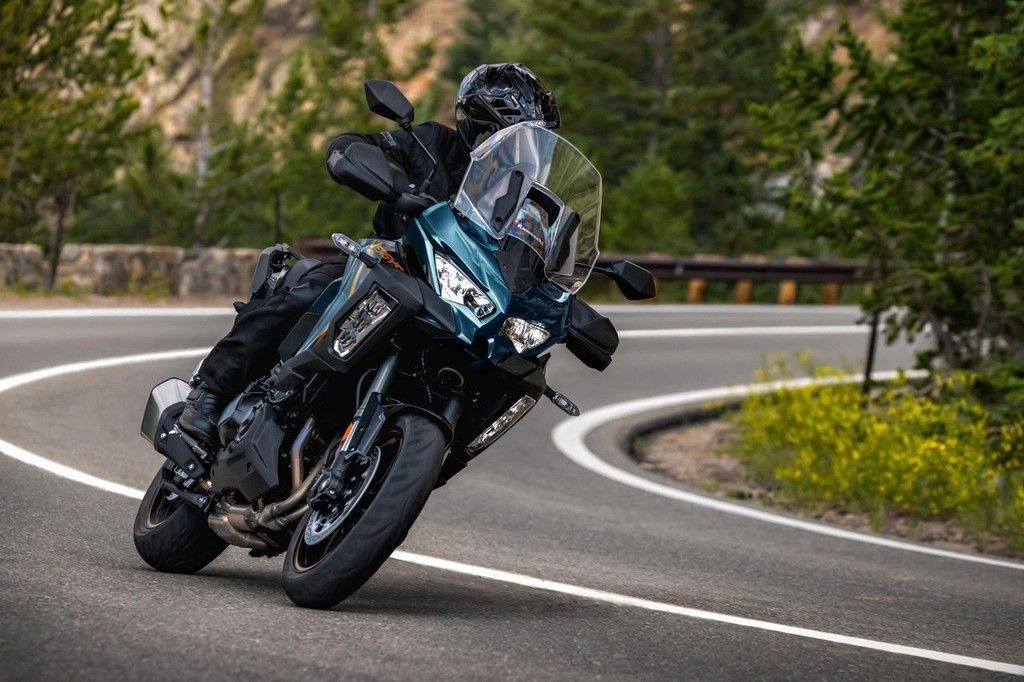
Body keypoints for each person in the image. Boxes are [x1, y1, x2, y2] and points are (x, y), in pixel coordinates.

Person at [177, 63, 561, 447]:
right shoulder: (432, 145)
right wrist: (376, 171)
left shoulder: (530, 207)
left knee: (493, 374)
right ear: (480, 126)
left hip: (461, 304)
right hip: (390, 261)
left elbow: (538, 266)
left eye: (533, 143)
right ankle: (210, 391)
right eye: (513, 138)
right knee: (315, 289)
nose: (522, 151)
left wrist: (565, 306)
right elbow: (352, 147)